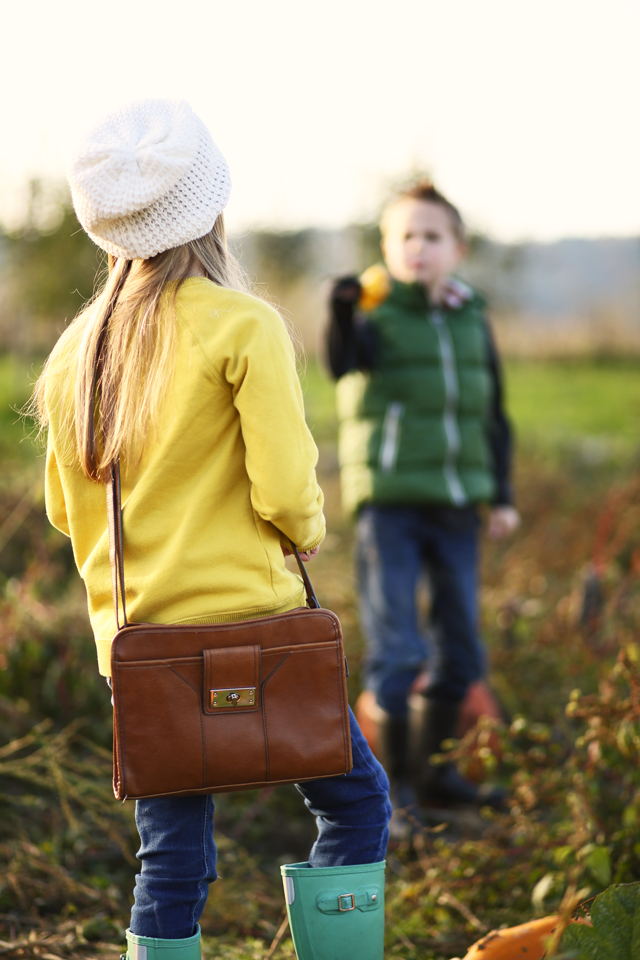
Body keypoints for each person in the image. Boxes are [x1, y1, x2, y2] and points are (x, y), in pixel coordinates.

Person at [33, 99, 390, 960]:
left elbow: (60, 507)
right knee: (355, 802)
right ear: (211, 206)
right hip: (253, 631)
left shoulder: (79, 352)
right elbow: (286, 489)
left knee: (174, 860)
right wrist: (304, 529)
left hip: (142, 646)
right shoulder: (244, 324)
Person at [326, 181, 520, 817]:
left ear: (457, 248)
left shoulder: (470, 317)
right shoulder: (376, 314)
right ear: (387, 246)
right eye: (404, 236)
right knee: (400, 646)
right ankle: (399, 793)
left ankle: (437, 778)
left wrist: (503, 494)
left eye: (431, 236)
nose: (418, 248)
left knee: (461, 644)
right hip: (391, 505)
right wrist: (341, 311)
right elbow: (340, 363)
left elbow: (493, 412)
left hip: (459, 503)